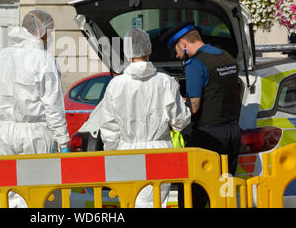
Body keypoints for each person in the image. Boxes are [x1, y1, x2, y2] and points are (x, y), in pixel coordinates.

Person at [98, 28, 191, 208]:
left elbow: (109, 130)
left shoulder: (115, 85)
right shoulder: (166, 82)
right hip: (160, 152)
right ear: (149, 49)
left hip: (126, 152)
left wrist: (112, 155)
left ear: (126, 52)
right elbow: (180, 121)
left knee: (131, 202)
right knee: (157, 202)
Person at [0, 10, 70, 208]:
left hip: (5, 131)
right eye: (50, 32)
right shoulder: (43, 60)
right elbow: (53, 105)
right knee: (33, 191)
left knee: (7, 189)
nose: (51, 37)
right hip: (35, 132)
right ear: (42, 32)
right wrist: (63, 139)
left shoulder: (0, 57)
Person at [161, 20, 242, 208]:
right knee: (225, 188)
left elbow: (194, 106)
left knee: (193, 192)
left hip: (208, 135)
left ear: (183, 43)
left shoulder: (195, 64)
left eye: (176, 50)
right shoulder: (226, 56)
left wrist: (178, 104)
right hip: (232, 132)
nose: (177, 55)